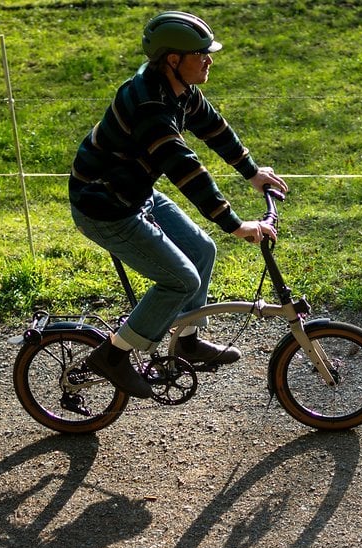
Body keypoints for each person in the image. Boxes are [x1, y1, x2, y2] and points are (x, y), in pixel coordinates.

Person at [69, 10, 288, 398]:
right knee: (180, 280)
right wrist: (236, 224)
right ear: (173, 59)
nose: (209, 59)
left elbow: (213, 127)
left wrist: (252, 172)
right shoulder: (150, 108)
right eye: (201, 53)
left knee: (201, 250)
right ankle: (113, 356)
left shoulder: (177, 88)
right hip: (105, 208)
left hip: (134, 192)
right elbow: (187, 171)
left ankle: (186, 341)